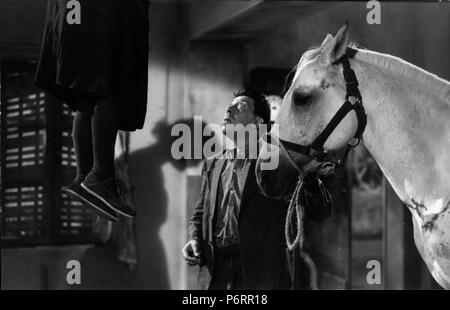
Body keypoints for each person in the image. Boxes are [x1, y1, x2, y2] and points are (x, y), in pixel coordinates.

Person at [182, 88, 333, 290]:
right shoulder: (213, 164)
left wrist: (310, 175)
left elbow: (320, 210)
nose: (229, 109)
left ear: (258, 122)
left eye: (241, 106)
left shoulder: (278, 162)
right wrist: (194, 240)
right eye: (230, 105)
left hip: (261, 277)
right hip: (215, 274)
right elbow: (200, 215)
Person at [34, 0, 150, 221]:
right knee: (112, 80)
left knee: (90, 89)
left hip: (72, 10)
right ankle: (101, 178)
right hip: (103, 11)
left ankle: (84, 177)